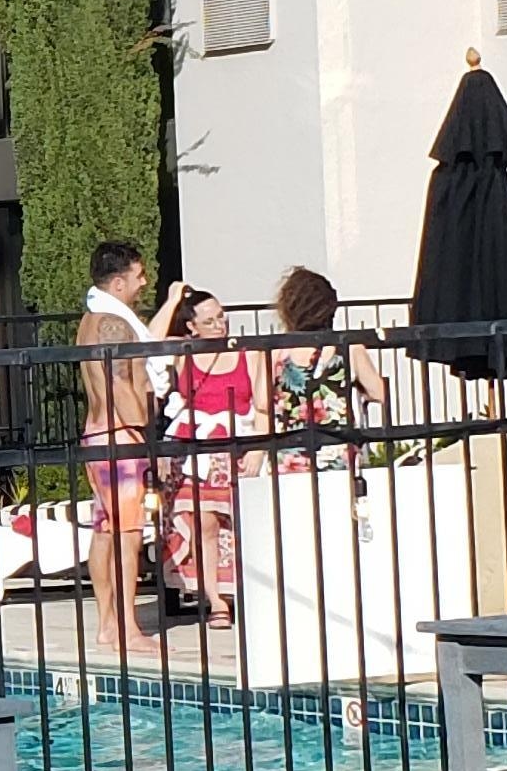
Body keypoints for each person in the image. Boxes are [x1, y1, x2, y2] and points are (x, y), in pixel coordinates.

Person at [76, 240, 183, 658]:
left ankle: (107, 624)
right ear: (118, 282)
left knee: (105, 530)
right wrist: (144, 418)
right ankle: (128, 628)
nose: (144, 283)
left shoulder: (92, 320)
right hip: (120, 436)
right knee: (127, 534)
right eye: (139, 276)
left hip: (97, 434)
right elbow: (120, 383)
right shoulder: (113, 326)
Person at [160, 288, 253, 626]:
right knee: (204, 524)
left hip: (236, 446)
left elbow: (261, 402)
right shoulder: (183, 355)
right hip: (197, 452)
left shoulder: (246, 352)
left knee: (246, 525)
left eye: (221, 316)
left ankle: (244, 592)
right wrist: (172, 302)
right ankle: (217, 600)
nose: (220, 325)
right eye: (210, 320)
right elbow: (149, 347)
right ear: (192, 327)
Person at [266, 264, 389, 467]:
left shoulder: (277, 352)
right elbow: (379, 393)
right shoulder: (348, 348)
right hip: (338, 449)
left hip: (290, 453)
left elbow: (263, 401)